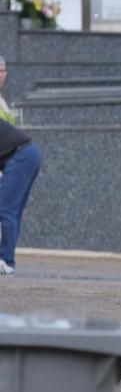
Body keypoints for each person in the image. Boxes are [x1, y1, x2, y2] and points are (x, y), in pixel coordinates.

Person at [0, 57, 43, 276]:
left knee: (6, 209)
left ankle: (6, 261)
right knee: (11, 210)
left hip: (22, 155)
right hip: (25, 153)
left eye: (2, 70)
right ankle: (7, 261)